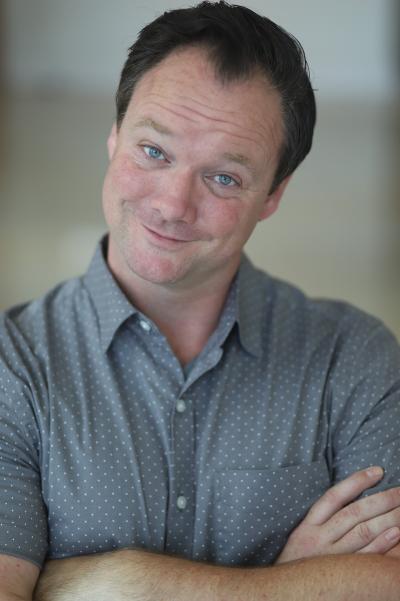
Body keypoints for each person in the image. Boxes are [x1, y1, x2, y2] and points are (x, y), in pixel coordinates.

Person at [1, 2, 400, 600]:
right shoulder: (12, 367)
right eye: (153, 151)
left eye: (223, 178)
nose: (172, 204)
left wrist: (115, 582)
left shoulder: (353, 359)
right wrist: (290, 585)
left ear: (273, 194)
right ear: (114, 136)